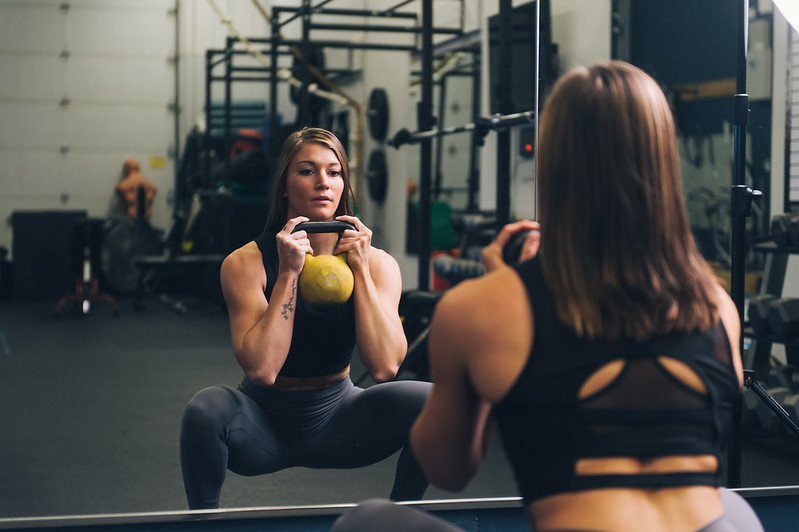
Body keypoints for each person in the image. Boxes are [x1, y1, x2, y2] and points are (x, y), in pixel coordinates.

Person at [332, 61, 764, 531]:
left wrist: (496, 300)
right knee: (732, 507)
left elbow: (447, 470)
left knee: (369, 522)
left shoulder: (479, 308)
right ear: (663, 159)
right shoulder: (716, 304)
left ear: (553, 161)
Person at [179, 127, 431, 510]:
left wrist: (360, 270)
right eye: (307, 171)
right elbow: (263, 370)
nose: (323, 183)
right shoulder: (244, 263)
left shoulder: (378, 263)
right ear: (284, 185)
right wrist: (287, 273)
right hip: (262, 424)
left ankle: (401, 520)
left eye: (334, 172)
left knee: (434, 402)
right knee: (204, 411)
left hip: (341, 420)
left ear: (344, 184)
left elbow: (385, 367)